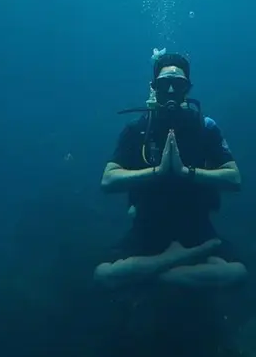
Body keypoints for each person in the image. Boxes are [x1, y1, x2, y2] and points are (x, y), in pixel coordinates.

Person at [94, 52, 247, 290]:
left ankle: (153, 273)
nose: (173, 92)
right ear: (154, 87)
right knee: (103, 274)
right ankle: (178, 260)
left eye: (179, 84)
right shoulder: (137, 130)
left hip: (195, 224)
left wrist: (187, 172)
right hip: (147, 226)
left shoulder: (205, 127)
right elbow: (108, 179)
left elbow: (234, 178)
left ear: (189, 88)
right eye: (165, 84)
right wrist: (158, 171)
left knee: (237, 272)